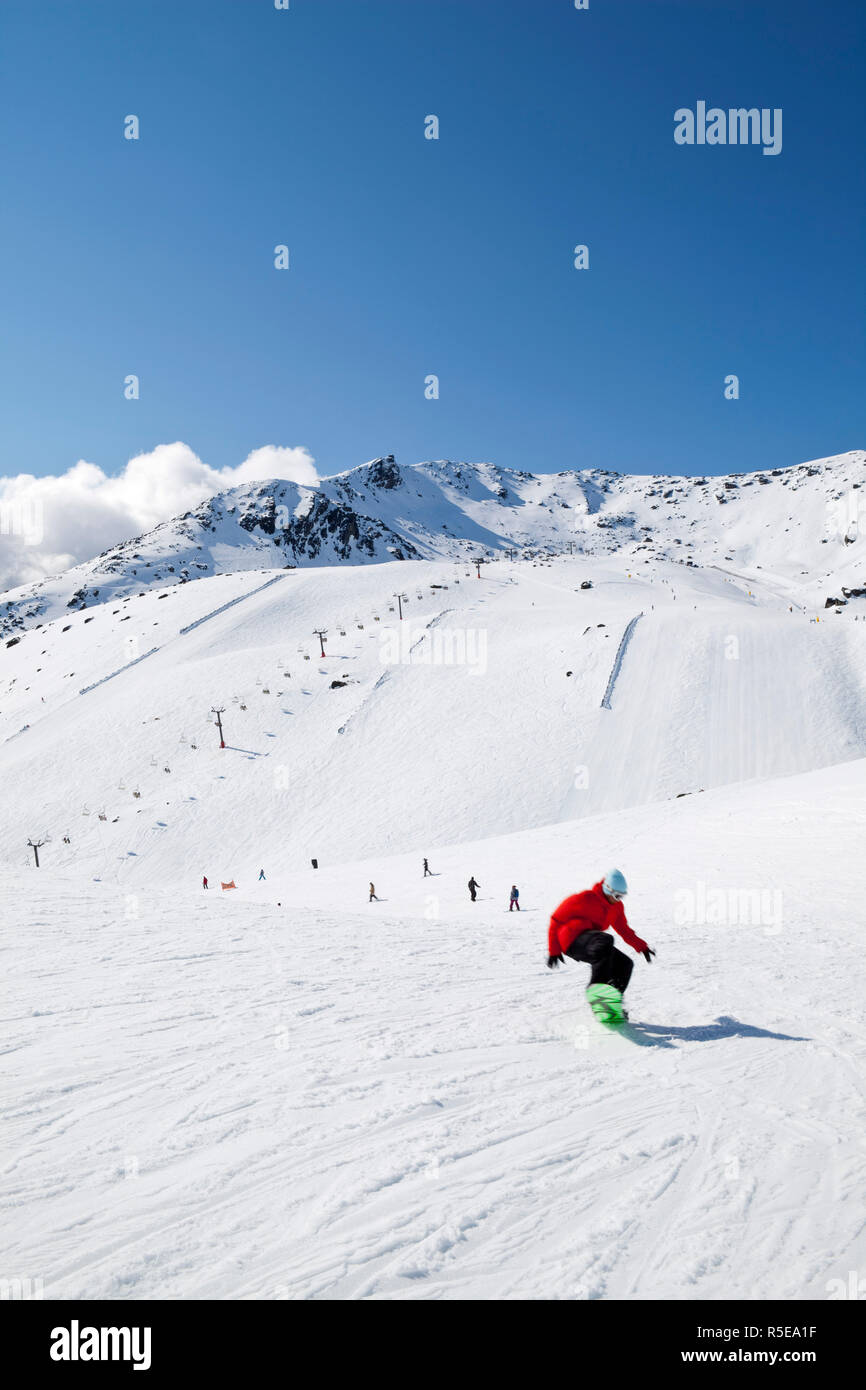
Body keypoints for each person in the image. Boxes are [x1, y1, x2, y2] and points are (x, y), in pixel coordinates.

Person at [546, 869, 654, 1020]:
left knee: (625, 964)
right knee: (606, 940)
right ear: (607, 889)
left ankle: (610, 1003)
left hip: (593, 942)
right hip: (572, 939)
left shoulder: (616, 907)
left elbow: (624, 930)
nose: (618, 899)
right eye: (616, 895)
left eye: (622, 896)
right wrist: (554, 950)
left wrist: (642, 947)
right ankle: (598, 991)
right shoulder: (584, 898)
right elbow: (556, 919)